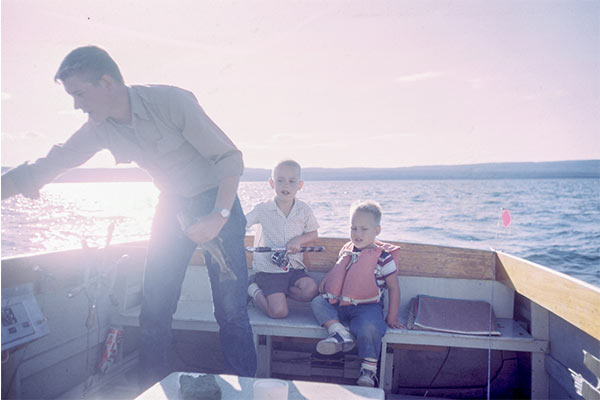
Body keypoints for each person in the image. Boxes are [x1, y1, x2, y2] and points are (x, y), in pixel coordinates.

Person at [1, 45, 257, 388]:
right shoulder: (100, 127)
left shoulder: (170, 102)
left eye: (79, 93)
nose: (76, 105)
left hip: (217, 200)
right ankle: (153, 389)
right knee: (154, 309)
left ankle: (248, 389)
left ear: (107, 82)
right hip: (172, 205)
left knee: (231, 313)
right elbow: (54, 161)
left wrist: (219, 215)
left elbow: (229, 158)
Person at [310, 200, 404, 387]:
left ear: (377, 231)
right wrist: (326, 279)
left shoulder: (383, 258)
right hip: (339, 304)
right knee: (318, 302)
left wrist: (392, 317)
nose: (357, 234)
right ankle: (339, 333)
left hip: (367, 307)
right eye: (353, 228)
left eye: (364, 229)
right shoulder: (347, 249)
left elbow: (394, 287)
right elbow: (339, 269)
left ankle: (369, 371)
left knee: (370, 327)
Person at [245, 160, 319, 318]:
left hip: (294, 269)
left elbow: (313, 233)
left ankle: (278, 294)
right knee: (278, 312)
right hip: (269, 271)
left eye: (292, 181)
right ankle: (253, 289)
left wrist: (298, 240)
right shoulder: (262, 209)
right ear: (272, 183)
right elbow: (241, 224)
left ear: (299, 185)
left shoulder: (304, 209)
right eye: (280, 180)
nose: (286, 185)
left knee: (311, 290)